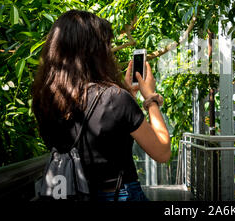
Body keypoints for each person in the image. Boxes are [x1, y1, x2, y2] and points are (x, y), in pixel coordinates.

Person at [32, 10, 171, 201]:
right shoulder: (115, 99)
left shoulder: (45, 98)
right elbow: (162, 152)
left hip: (71, 193)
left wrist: (128, 94)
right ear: (94, 52)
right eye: (107, 46)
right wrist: (150, 99)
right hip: (117, 194)